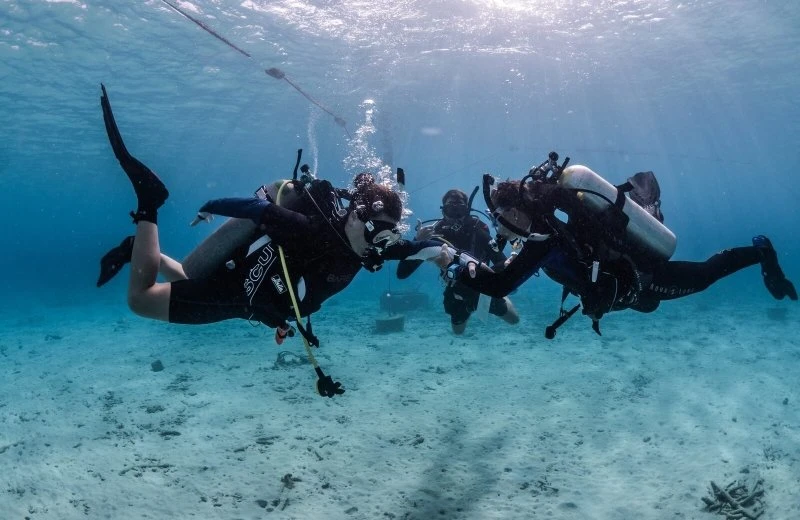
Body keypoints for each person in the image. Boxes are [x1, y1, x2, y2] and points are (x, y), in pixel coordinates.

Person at [98, 84, 446, 395]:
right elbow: (256, 208)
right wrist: (210, 206)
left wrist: (448, 256)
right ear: (355, 214)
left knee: (187, 278)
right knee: (140, 301)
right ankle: (149, 203)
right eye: (374, 230)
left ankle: (138, 249)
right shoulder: (308, 227)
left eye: (387, 236)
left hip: (249, 293)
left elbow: (418, 249)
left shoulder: (374, 248)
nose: (378, 243)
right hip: (238, 294)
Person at [444, 154, 797, 336]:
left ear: (522, 210)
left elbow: (500, 284)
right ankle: (652, 211)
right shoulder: (541, 234)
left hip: (642, 276)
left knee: (703, 276)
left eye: (505, 216)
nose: (501, 226)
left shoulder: (542, 238)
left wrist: (453, 262)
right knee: (649, 305)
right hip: (627, 290)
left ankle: (761, 250)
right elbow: (508, 272)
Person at [397, 189, 519, 334]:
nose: (455, 216)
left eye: (460, 209)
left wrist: (497, 283)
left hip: (482, 285)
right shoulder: (435, 234)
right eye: (450, 209)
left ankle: (495, 298)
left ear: (467, 210)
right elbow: (402, 273)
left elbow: (501, 262)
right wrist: (418, 242)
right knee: (458, 331)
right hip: (455, 288)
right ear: (443, 211)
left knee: (514, 320)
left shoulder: (478, 229)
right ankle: (468, 307)